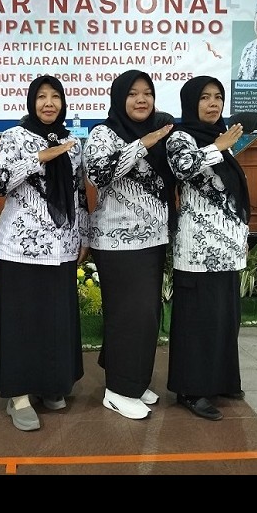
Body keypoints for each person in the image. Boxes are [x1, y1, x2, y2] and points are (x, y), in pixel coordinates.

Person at [0, 75, 90, 432]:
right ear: (32, 101)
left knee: (53, 320)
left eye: (55, 96)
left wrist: (83, 234)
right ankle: (18, 397)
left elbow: (78, 193)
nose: (49, 103)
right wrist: (38, 158)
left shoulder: (73, 143)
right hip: (20, 248)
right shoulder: (15, 137)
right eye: (42, 96)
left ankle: (49, 385)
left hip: (62, 246)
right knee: (22, 323)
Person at [82, 70, 175, 420]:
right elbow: (98, 174)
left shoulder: (160, 133)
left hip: (154, 238)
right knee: (128, 316)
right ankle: (118, 391)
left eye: (147, 93)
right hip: (116, 242)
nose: (141, 99)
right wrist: (141, 145)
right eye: (133, 93)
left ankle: (134, 380)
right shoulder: (103, 133)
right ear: (120, 98)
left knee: (147, 316)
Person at [164, 75, 250, 421]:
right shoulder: (181, 137)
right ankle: (191, 389)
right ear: (190, 102)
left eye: (217, 97)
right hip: (198, 249)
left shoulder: (221, 136)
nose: (213, 103)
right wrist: (218, 147)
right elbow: (182, 168)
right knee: (198, 320)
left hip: (227, 246)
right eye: (204, 97)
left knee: (225, 318)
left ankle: (222, 380)